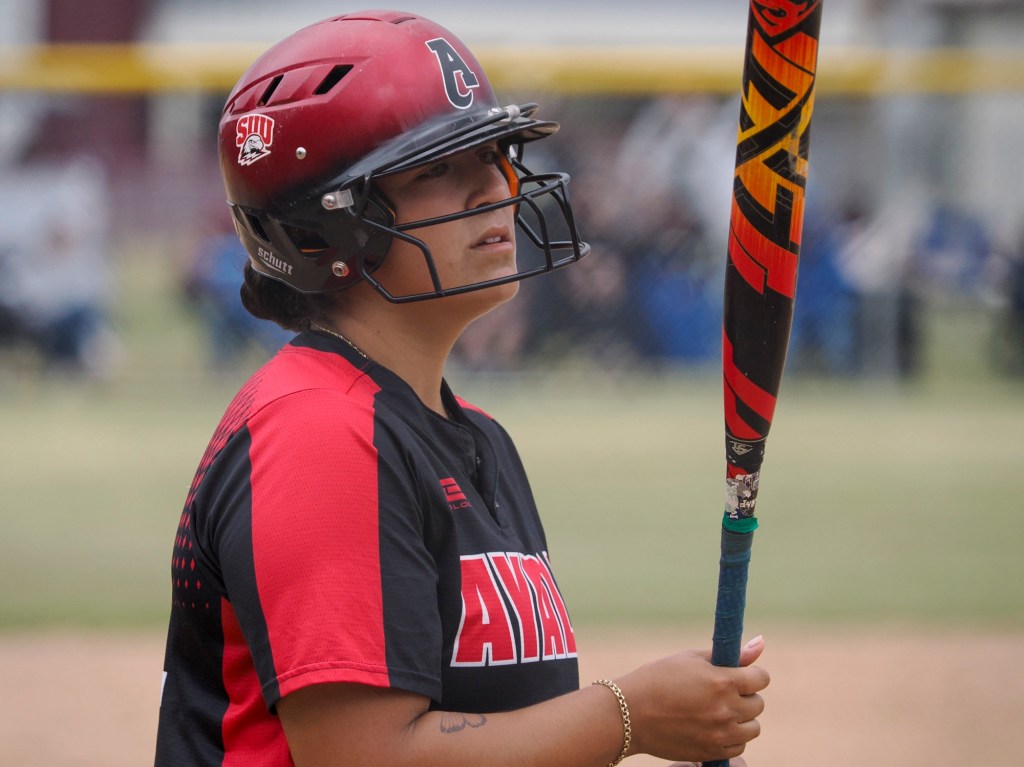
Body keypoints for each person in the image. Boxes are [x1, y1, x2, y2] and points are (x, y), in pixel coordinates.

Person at [155, 11, 769, 767]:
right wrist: (628, 717)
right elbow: (366, 757)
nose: (496, 185)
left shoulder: (473, 434)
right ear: (324, 228)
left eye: (492, 153)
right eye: (436, 169)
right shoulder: (317, 432)